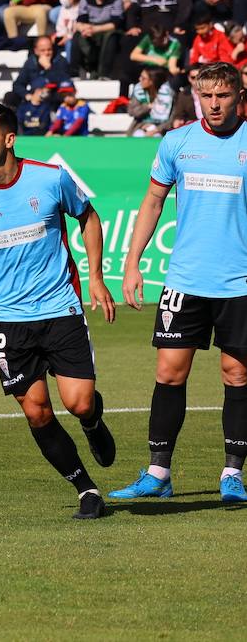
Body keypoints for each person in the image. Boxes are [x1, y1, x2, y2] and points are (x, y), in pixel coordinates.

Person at [0, 102, 117, 519]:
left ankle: (93, 420)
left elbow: (88, 218)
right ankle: (86, 489)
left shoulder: (51, 178)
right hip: (8, 318)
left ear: (9, 139)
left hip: (60, 307)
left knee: (78, 403)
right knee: (37, 411)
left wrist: (95, 276)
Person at [110, 62, 247, 504]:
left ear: (238, 96)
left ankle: (232, 474)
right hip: (185, 278)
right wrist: (132, 262)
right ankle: (158, 472)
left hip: (239, 282)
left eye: (223, 96)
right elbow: (153, 201)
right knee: (169, 373)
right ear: (197, 96)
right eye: (207, 96)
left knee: (237, 373)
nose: (214, 104)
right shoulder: (178, 141)